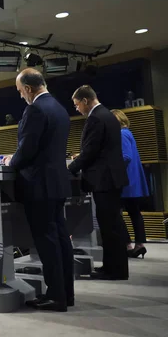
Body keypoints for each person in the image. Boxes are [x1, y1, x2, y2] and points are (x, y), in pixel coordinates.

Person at [3, 68, 74, 312]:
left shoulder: (35, 109)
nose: (21, 96)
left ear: (30, 89)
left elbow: (28, 148)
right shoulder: (60, 108)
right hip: (57, 183)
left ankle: (55, 297)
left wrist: (10, 161)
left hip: (39, 185)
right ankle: (66, 293)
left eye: (21, 91)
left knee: (47, 241)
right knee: (61, 238)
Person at [69, 85, 129, 281]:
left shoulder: (95, 118)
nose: (77, 109)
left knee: (109, 227)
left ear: (85, 101)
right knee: (113, 226)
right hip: (112, 178)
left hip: (104, 180)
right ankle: (114, 267)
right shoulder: (108, 115)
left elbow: (90, 151)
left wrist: (70, 168)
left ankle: (114, 270)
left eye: (77, 105)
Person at [111, 109, 150, 259]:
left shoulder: (121, 134)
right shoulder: (128, 133)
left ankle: (127, 244)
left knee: (117, 213)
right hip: (132, 180)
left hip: (125, 181)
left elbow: (126, 157)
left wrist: (111, 167)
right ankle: (139, 245)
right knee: (135, 213)